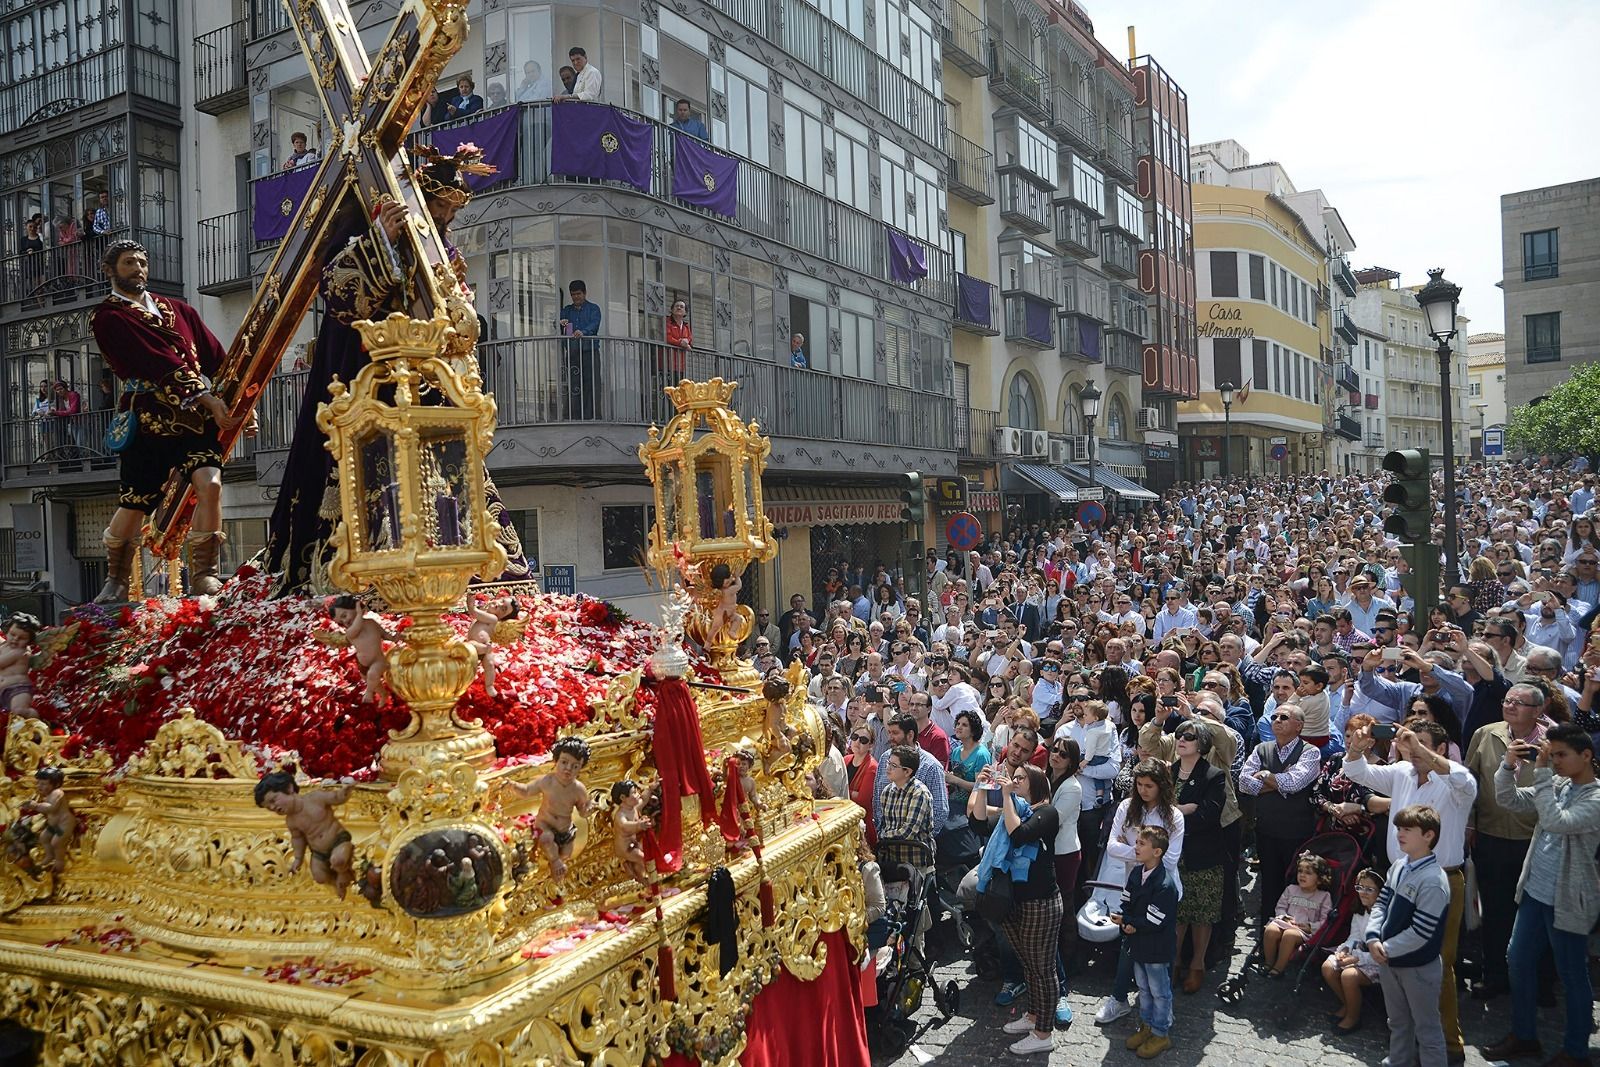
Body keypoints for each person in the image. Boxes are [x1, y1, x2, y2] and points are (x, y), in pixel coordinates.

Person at [263, 144, 529, 593]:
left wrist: (454, 287)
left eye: (452, 208)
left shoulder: (437, 244)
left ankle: (461, 559)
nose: (446, 216)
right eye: (439, 205)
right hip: (367, 368)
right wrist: (381, 243)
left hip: (426, 377)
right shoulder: (365, 220)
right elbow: (336, 287)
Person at [89, 239, 253, 602]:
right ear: (111, 270)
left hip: (193, 418)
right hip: (147, 417)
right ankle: (115, 578)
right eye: (129, 263)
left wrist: (239, 402)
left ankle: (205, 574)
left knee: (210, 484)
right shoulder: (108, 318)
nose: (139, 269)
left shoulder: (179, 310)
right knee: (135, 501)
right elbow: (158, 361)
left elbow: (217, 360)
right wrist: (208, 398)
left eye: (142, 262)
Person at [1341, 718, 1475, 1062]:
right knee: (1393, 958)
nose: (1410, 750)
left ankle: (1446, 1043)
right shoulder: (1401, 771)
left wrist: (1422, 751)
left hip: (1440, 877)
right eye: (1405, 742)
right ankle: (1402, 1038)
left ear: (1441, 749)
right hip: (1399, 873)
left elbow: (1464, 780)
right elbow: (1358, 773)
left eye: (1418, 743)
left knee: (1437, 964)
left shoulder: (1456, 780)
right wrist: (1357, 748)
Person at [1483, 723, 1600, 1067]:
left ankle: (1576, 1051)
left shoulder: (1595, 798)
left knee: (1572, 975)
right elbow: (1508, 799)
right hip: (1536, 892)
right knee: (1517, 961)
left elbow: (1556, 821)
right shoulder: (1558, 784)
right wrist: (1508, 766)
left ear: (1587, 755)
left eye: (1562, 755)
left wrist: (1544, 773)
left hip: (1568, 899)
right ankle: (1524, 1036)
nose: (1556, 761)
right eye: (1553, 754)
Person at [1461, 682, 1544, 1001]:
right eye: (1508, 701)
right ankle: (1494, 974)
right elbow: (1470, 781)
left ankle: (1537, 979)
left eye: (1519, 703)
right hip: (1492, 836)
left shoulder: (1552, 739)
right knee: (1495, 911)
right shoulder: (1487, 733)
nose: (1510, 706)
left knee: (1532, 913)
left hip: (1533, 839)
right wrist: (1470, 822)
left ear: (1537, 710)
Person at [1366, 804, 1452, 1067]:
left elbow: (1422, 931)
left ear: (1428, 836)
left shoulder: (1434, 881)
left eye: (1407, 829)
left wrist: (1386, 948)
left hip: (1418, 968)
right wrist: (1372, 937)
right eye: (1399, 828)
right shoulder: (1400, 866)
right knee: (1398, 1022)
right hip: (1390, 962)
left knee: (1427, 1030)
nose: (1400, 834)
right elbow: (1382, 903)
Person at [990, 764, 1062, 1057]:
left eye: (1020, 778)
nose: (1014, 781)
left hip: (1041, 902)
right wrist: (987, 791)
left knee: (1042, 969)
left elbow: (1019, 835)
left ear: (1035, 783)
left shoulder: (1047, 813)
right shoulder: (1018, 809)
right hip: (1017, 901)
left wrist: (1006, 798)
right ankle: (1033, 1015)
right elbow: (980, 821)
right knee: (1028, 965)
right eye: (1013, 777)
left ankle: (1044, 1032)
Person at [1237, 703, 1321, 929]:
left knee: (1295, 885)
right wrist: (1277, 781)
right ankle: (1267, 937)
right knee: (1269, 886)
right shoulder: (1262, 748)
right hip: (1266, 831)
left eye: (1284, 717)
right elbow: (1244, 783)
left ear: (1299, 726)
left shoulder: (1310, 752)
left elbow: (1295, 783)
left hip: (1297, 833)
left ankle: (1292, 941)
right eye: (1274, 716)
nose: (1277, 720)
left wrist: (1264, 775)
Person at [1111, 825, 1179, 1060]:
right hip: (1139, 944)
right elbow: (1127, 899)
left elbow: (1154, 921)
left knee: (1160, 992)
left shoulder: (1165, 885)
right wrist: (1126, 921)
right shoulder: (1136, 873)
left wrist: (1129, 921)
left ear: (1157, 852)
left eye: (1141, 844)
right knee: (1143, 988)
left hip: (1157, 948)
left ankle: (1161, 1033)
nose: (1136, 847)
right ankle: (1147, 1025)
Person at [1170, 720, 1226, 993]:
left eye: (1189, 736)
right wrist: (1184, 809)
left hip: (1202, 853)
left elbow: (1208, 815)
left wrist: (1175, 814)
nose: (1181, 739)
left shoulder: (1213, 775)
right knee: (1177, 913)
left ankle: (1197, 964)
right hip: (1172, 855)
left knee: (1201, 915)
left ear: (1201, 744)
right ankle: (1175, 961)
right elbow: (1157, 809)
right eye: (1179, 735)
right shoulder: (1168, 771)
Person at [508, 735, 593, 880]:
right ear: (556, 761)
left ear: (581, 768)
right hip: (545, 824)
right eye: (564, 762)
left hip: (565, 829)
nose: (568, 769)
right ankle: (555, 862)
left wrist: (589, 809)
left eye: (575, 766)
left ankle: (556, 873)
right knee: (547, 839)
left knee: (566, 854)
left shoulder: (579, 789)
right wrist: (513, 785)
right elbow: (527, 791)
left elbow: (582, 811)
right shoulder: (547, 781)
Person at [1321, 867, 1383, 1033]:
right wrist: (1345, 949)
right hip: (1359, 954)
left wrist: (1356, 959)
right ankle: (1349, 1004)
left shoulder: (1385, 916)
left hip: (1377, 962)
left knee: (1349, 976)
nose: (1363, 893)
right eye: (1359, 887)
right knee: (1328, 967)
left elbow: (1382, 952)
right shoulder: (1360, 912)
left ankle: (1353, 1017)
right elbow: (1354, 936)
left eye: (1369, 889)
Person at [1262, 852, 1333, 978]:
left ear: (1320, 878)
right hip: (1285, 922)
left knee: (1289, 935)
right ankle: (1269, 962)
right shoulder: (1291, 889)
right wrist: (1283, 916)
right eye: (1300, 871)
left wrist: (1311, 926)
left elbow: (1325, 920)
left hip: (1303, 930)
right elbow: (1280, 907)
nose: (1302, 875)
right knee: (1270, 930)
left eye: (1308, 873)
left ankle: (1279, 967)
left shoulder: (1324, 896)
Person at [876, 744, 935, 873]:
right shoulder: (887, 792)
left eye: (894, 766)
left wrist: (882, 836)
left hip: (915, 862)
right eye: (888, 763)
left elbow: (907, 832)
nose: (888, 768)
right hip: (891, 859)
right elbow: (884, 824)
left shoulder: (919, 793)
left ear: (907, 771)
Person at [560, 278, 602, 420]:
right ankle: (574, 415)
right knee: (574, 383)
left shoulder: (593, 308)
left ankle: (591, 415)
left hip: (589, 350)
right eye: (573, 294)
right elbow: (565, 330)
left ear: (584, 293)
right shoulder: (567, 310)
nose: (576, 297)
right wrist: (562, 324)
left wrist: (583, 332)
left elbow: (594, 325)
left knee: (591, 383)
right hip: (573, 351)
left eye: (578, 294)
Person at [0, 613, 41, 720]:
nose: (15, 639)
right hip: (2, 690)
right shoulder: (4, 646)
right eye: (12, 634)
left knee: (20, 711)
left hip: (17, 689)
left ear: (29, 641)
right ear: (7, 631)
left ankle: (39, 725)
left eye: (22, 638)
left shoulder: (21, 652)